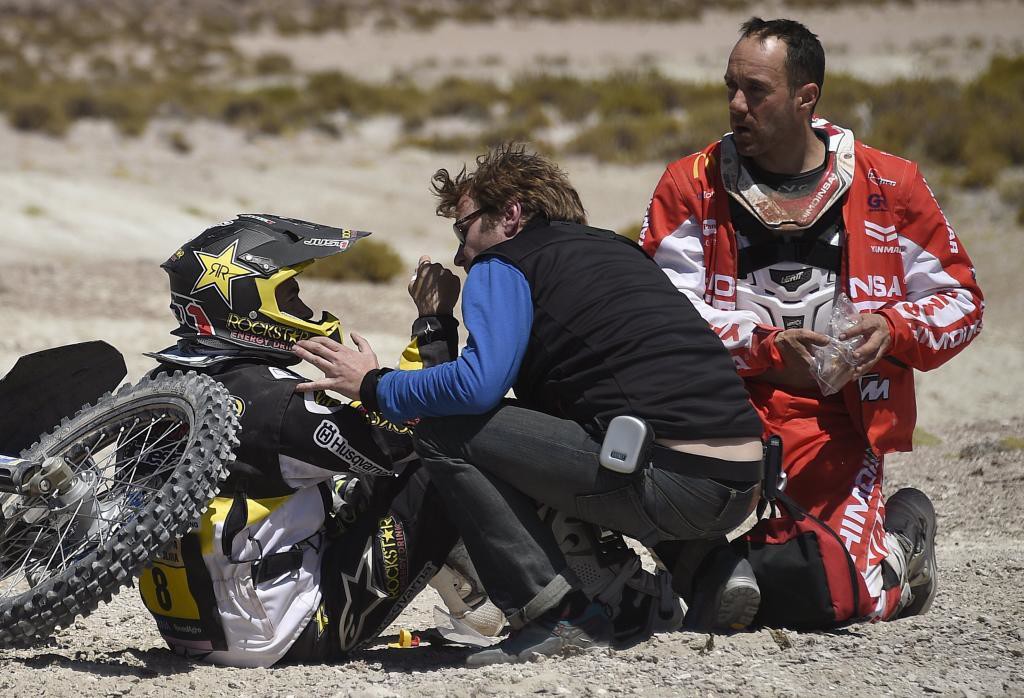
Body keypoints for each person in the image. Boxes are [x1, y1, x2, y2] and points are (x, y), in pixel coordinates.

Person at [293, 143, 767, 665]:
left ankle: (555, 615)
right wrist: (436, 322)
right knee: (546, 426)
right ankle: (704, 566)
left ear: (512, 214)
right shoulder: (612, 251)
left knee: (441, 437)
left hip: (672, 481)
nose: (459, 255)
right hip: (743, 481)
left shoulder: (504, 262)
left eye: (463, 229)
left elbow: (473, 394)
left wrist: (373, 384)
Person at [640, 17, 983, 625]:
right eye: (730, 88)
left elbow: (962, 301)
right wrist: (762, 346)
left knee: (839, 597)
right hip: (719, 409)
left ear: (806, 96)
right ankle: (702, 564)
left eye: (756, 91)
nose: (736, 105)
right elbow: (658, 314)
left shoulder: (888, 184)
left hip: (836, 424)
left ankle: (900, 540)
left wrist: (892, 330)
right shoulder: (692, 185)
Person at [138, 213, 468, 667]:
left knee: (339, 484)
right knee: (445, 457)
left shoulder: (161, 385)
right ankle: (492, 607)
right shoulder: (272, 399)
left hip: (191, 630)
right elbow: (409, 433)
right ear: (250, 305)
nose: (302, 310)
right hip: (283, 636)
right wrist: (431, 328)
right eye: (290, 296)